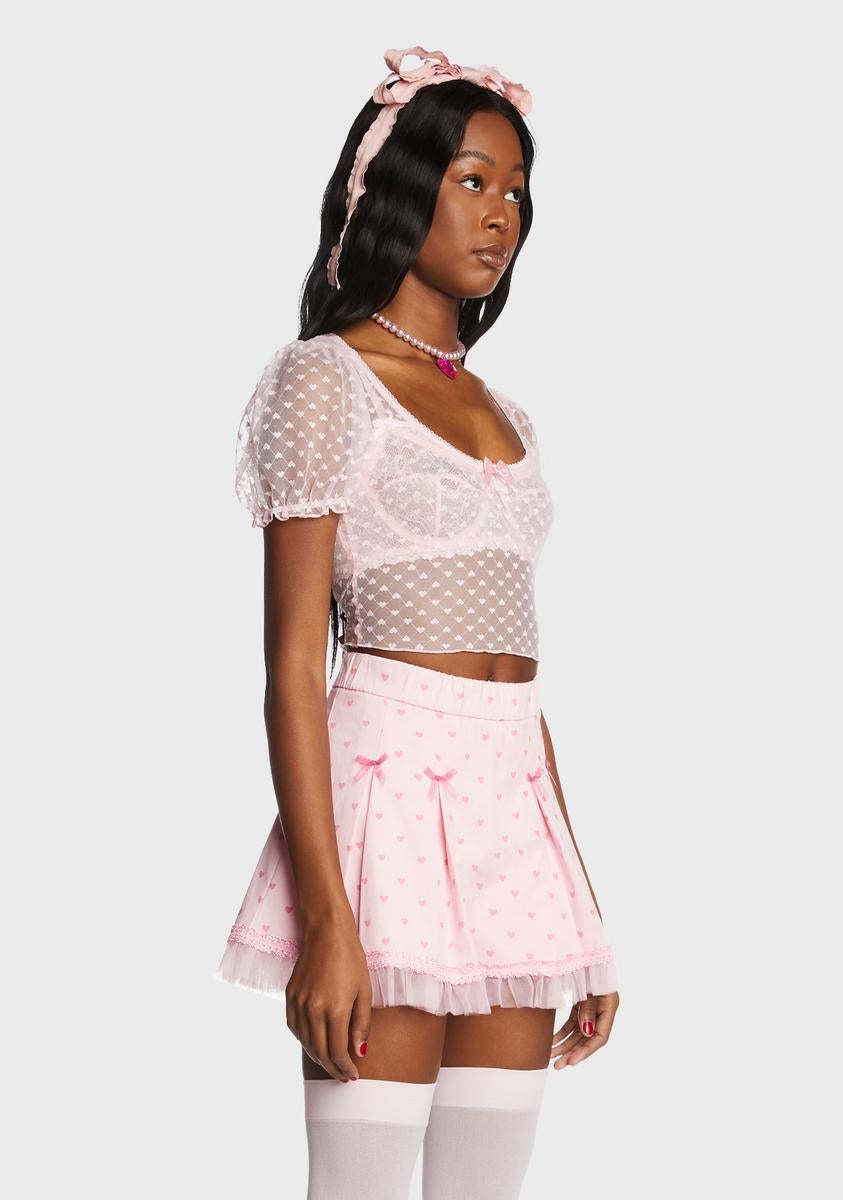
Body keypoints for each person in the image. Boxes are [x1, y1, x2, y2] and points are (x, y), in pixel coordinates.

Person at [216, 45, 621, 1200]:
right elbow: (294, 667)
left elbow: (519, 686)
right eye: (473, 180)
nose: (502, 214)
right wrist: (327, 921)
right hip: (385, 806)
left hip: (511, 816)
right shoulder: (325, 379)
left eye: (518, 190)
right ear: (401, 190)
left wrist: (580, 903)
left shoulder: (507, 410)